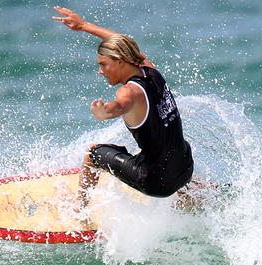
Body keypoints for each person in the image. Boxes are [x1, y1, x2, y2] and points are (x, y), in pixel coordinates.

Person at [52, 6, 194, 209]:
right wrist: (84, 26)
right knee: (169, 145)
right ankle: (189, 196)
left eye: (103, 64)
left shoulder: (129, 92)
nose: (100, 71)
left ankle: (79, 210)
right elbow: (122, 41)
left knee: (93, 154)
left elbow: (120, 105)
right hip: (185, 169)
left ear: (120, 62)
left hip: (156, 182)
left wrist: (104, 112)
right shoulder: (150, 70)